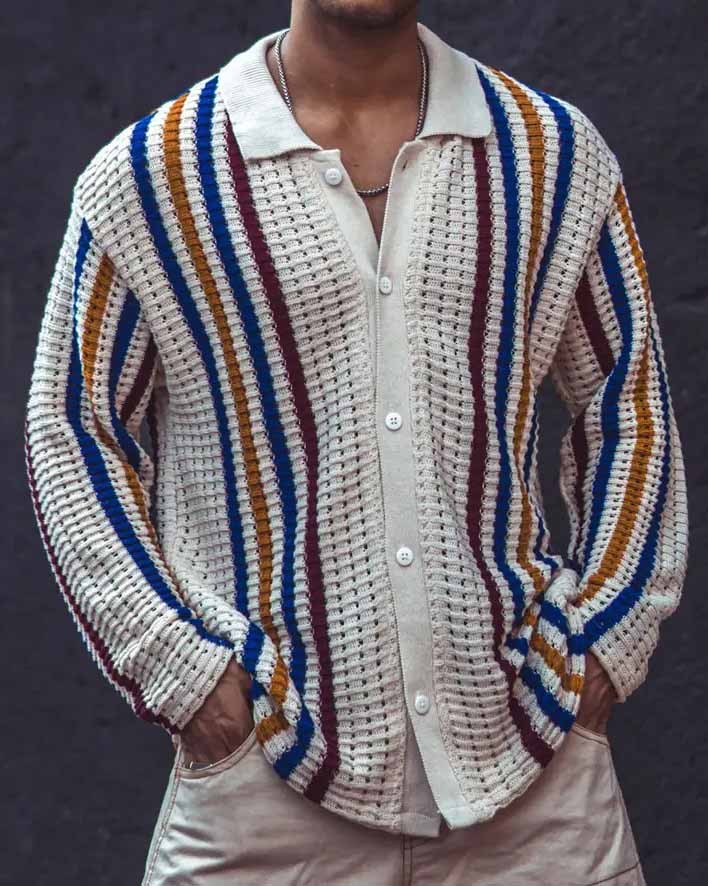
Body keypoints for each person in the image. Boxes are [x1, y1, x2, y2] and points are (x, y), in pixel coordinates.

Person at [24, 1, 689, 884]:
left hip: (535, 775)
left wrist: (605, 639)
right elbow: (73, 425)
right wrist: (183, 673)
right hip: (264, 784)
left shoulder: (553, 155)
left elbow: (628, 401)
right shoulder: (154, 176)